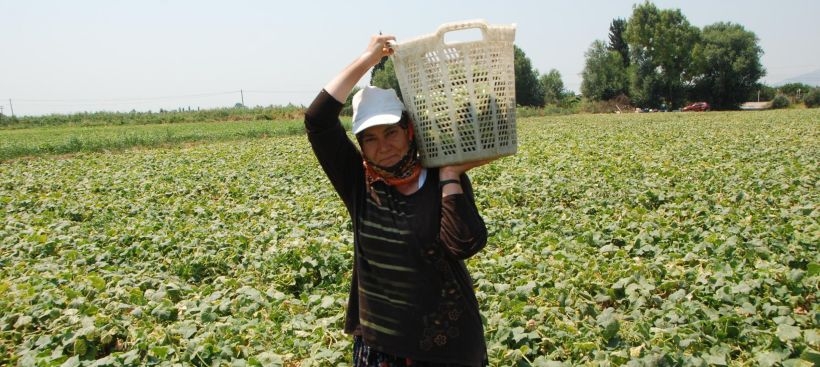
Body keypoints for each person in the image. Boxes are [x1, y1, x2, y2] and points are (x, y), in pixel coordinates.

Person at [304, 34, 492, 367]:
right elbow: (318, 119)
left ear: (408, 132)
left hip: (449, 350)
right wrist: (367, 58)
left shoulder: (437, 177)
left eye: (390, 132)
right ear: (361, 145)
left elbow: (463, 243)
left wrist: (450, 174)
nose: (383, 146)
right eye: (370, 139)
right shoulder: (359, 184)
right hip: (381, 349)